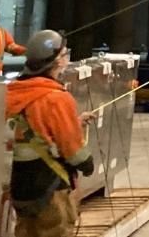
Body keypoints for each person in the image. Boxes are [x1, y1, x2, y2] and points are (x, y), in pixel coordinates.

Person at [5, 31, 95, 237]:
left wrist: (75, 122)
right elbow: (73, 151)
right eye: (65, 54)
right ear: (56, 62)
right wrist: (87, 163)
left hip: (18, 185)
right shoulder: (56, 98)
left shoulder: (12, 92)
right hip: (49, 187)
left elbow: (31, 128)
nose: (67, 59)